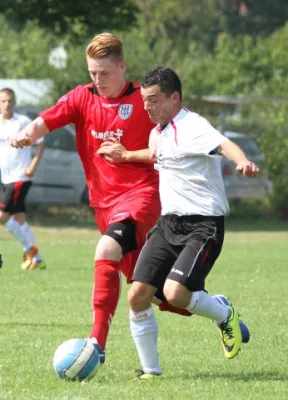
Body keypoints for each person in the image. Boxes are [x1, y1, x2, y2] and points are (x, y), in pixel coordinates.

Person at [10, 33, 193, 366]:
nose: (98, 80)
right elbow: (45, 121)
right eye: (93, 72)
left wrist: (129, 156)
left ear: (122, 66)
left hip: (142, 196)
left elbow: (178, 140)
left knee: (106, 249)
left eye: (105, 73)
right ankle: (218, 309)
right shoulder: (82, 98)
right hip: (104, 205)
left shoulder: (144, 99)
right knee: (152, 291)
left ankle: (97, 343)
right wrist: (26, 134)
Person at [127, 67, 260, 380]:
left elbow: (224, 144)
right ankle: (151, 372)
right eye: (145, 100)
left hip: (204, 225)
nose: (147, 106)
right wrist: (124, 155)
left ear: (174, 98)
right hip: (168, 224)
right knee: (137, 295)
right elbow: (157, 153)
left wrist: (241, 161)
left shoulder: (193, 125)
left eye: (154, 100)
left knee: (174, 294)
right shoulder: (157, 131)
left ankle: (224, 314)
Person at [0, 88, 46, 270]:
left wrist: (33, 165)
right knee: (18, 218)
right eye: (3, 101)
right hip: (5, 178)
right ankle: (36, 259)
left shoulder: (23, 122)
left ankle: (31, 250)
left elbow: (41, 143)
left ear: (14, 102)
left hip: (20, 176)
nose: (7, 104)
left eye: (10, 101)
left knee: (2, 216)